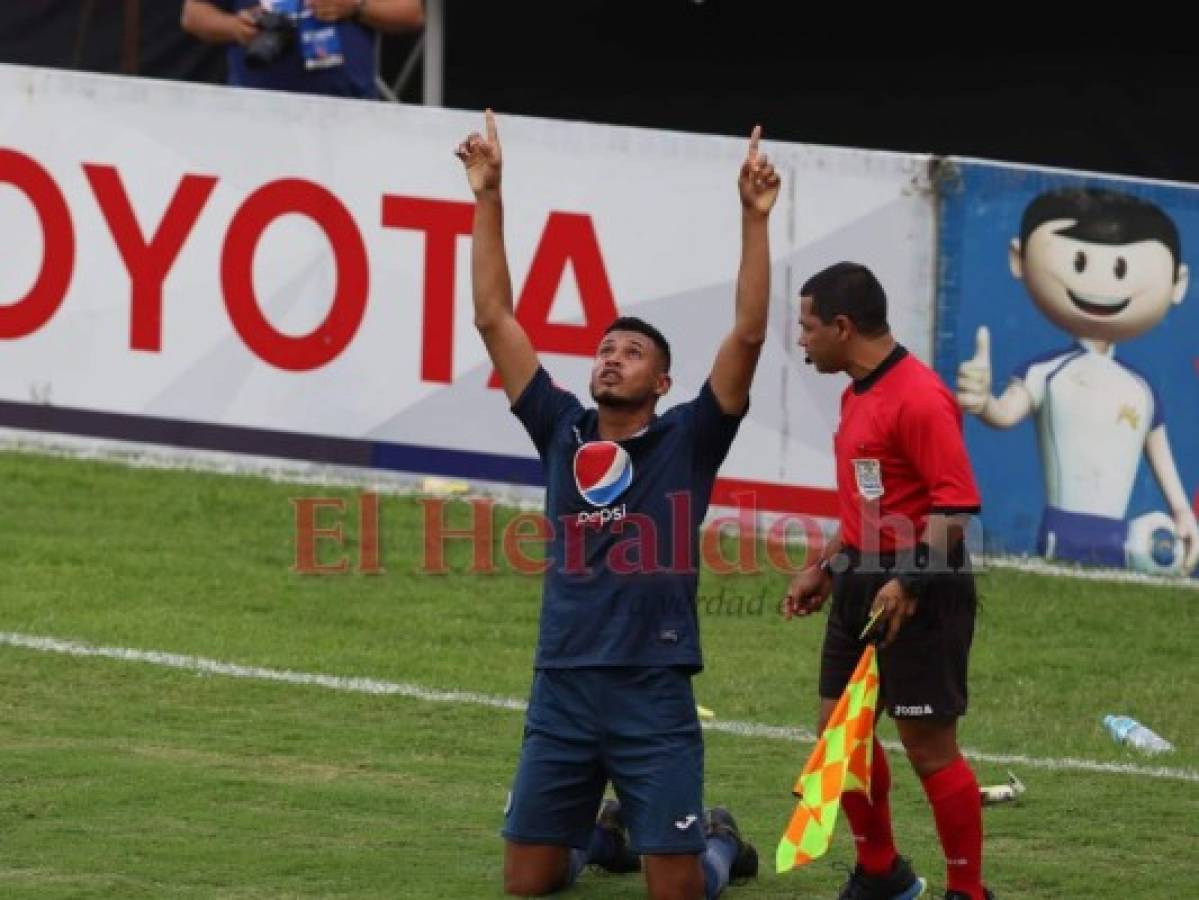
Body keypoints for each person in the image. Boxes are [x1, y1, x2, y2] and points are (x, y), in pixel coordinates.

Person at [455, 109, 779, 899]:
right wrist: (487, 196)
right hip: (562, 681)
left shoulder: (688, 440)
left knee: (676, 891)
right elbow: (493, 317)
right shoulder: (560, 429)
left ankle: (717, 838)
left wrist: (752, 218)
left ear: (660, 383)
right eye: (605, 348)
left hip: (650, 686)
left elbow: (746, 336)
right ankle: (600, 835)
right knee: (526, 882)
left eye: (631, 353)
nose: (611, 358)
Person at [784, 262, 994, 900]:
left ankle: (969, 891)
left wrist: (906, 582)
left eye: (808, 327)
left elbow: (954, 508)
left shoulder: (920, 397)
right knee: (839, 737)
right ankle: (882, 874)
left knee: (929, 750)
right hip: (858, 581)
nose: (802, 340)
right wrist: (824, 562)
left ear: (842, 327)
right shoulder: (856, 393)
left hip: (919, 591)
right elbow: (867, 504)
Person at [956, 187, 1196, 574]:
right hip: (1061, 534)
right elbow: (1006, 413)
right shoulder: (1049, 372)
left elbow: (1162, 460)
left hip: (1121, 541)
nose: (1104, 285)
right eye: (1079, 262)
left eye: (1122, 269)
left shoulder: (1141, 389)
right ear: (1019, 259)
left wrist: (1182, 513)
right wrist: (983, 401)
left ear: (1178, 283)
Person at [180, 0, 423, 99]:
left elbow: (411, 13)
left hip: (347, 110)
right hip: (255, 107)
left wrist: (355, 7)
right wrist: (234, 27)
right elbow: (193, 14)